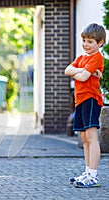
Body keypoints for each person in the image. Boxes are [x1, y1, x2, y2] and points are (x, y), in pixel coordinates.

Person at [65, 23, 106, 188]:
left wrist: (79, 72)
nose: (86, 45)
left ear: (100, 43)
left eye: (90, 41)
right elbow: (67, 70)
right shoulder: (82, 59)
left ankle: (93, 176)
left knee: (91, 137)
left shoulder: (97, 58)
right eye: (84, 41)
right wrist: (80, 70)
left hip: (90, 99)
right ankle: (87, 172)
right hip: (80, 100)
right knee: (83, 138)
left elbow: (82, 78)